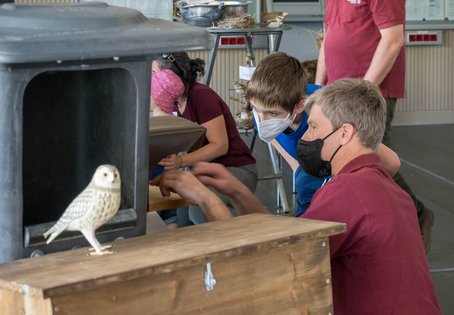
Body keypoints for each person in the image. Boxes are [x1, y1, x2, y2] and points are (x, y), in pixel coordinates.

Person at [155, 78, 441, 315]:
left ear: (344, 134)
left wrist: (208, 200)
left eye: (314, 127)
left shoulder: (348, 192)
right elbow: (289, 238)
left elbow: (274, 264)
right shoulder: (390, 190)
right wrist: (237, 191)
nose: (305, 138)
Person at [315, 0, 433, 252]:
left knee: (373, 156)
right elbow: (329, 37)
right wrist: (318, 87)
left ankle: (415, 213)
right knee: (346, 157)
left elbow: (392, 40)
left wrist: (363, 91)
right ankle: (362, 221)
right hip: (339, 88)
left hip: (368, 89)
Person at [247, 52, 400, 216]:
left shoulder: (328, 108)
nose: (262, 121)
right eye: (256, 110)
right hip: (314, 174)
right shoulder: (262, 113)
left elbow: (391, 163)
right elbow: (297, 163)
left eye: (273, 114)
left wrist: (346, 191)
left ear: (299, 106)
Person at [151, 52, 257, 225]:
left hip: (236, 167)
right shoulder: (174, 101)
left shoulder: (202, 96)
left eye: (155, 74)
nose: (152, 80)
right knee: (183, 213)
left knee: (198, 208)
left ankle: (243, 231)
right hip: (203, 169)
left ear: (171, 77)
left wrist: (180, 161)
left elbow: (220, 146)